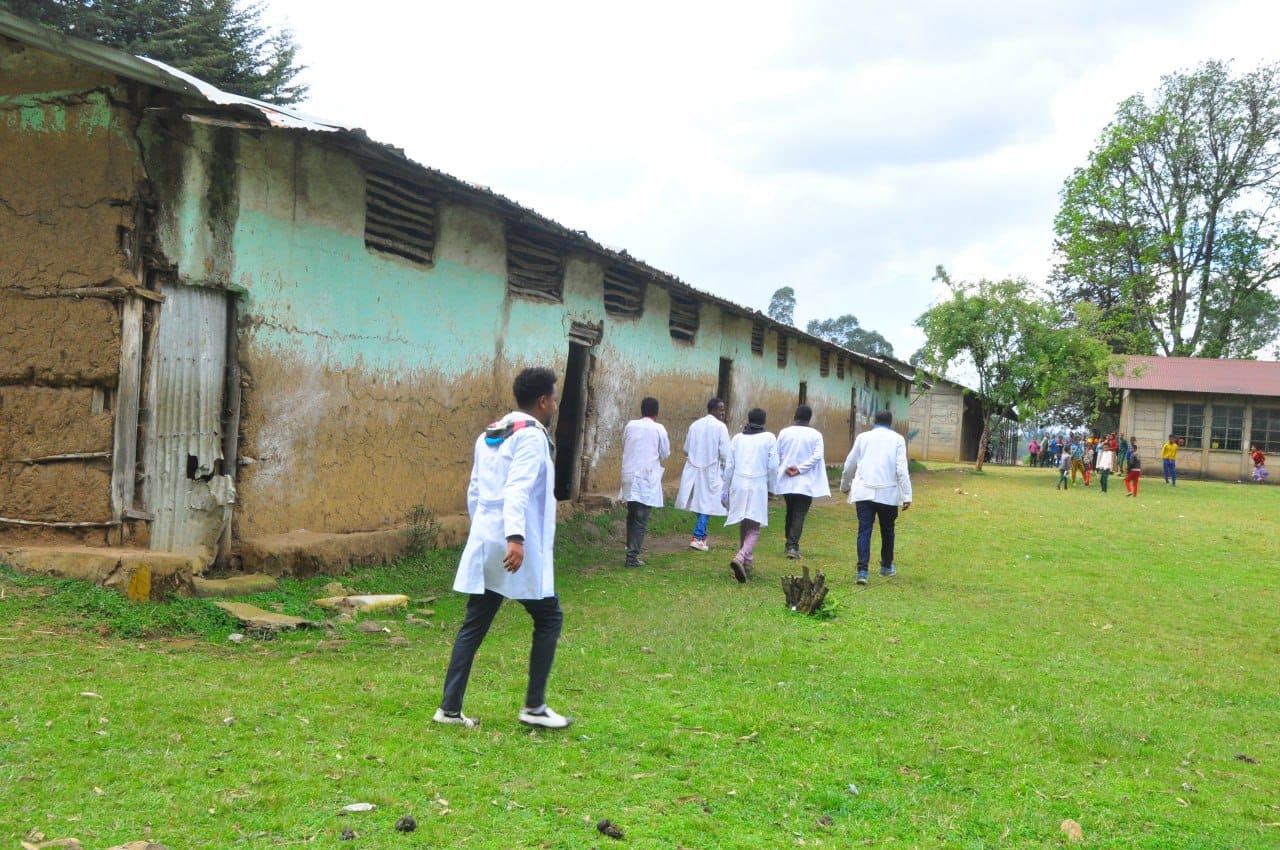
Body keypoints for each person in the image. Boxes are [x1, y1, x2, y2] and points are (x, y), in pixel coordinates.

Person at [436, 366, 570, 730]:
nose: (556, 404)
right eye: (554, 398)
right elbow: (518, 488)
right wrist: (515, 537)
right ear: (543, 401)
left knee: (475, 622)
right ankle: (534, 707)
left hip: (486, 534)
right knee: (549, 616)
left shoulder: (490, 434)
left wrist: (483, 531)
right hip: (513, 540)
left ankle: (449, 709)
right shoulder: (530, 437)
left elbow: (475, 491)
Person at [840, 409, 912, 585]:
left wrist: (845, 484)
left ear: (874, 421)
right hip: (888, 493)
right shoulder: (897, 439)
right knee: (888, 530)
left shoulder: (863, 438)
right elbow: (901, 468)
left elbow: (850, 463)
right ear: (891, 423)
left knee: (864, 530)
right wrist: (907, 494)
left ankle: (862, 571)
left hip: (863, 491)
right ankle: (886, 567)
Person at [722, 407, 779, 583]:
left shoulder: (737, 438)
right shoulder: (769, 438)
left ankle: (747, 562)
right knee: (754, 527)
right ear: (764, 421)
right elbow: (773, 466)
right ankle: (740, 557)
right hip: (757, 484)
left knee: (744, 521)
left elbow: (729, 465)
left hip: (738, 483)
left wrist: (725, 489)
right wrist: (772, 487)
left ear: (748, 419)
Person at [619, 397, 670, 568]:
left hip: (629, 474)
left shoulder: (630, 425)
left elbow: (624, 444)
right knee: (641, 517)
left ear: (641, 410)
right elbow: (665, 453)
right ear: (657, 412)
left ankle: (630, 550)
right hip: (646, 477)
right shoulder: (658, 429)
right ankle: (632, 557)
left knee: (632, 513)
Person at [774, 405, 831, 559]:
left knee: (791, 511)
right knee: (798, 514)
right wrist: (800, 469)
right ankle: (792, 546)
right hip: (805, 482)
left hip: (786, 479)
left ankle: (789, 543)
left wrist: (786, 467)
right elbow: (817, 456)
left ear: (795, 416)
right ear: (810, 417)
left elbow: (776, 454)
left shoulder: (784, 433)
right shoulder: (816, 435)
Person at [675, 398, 731, 551]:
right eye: (721, 409)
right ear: (712, 409)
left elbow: (686, 448)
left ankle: (702, 535)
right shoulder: (721, 427)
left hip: (694, 469)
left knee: (700, 502)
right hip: (711, 470)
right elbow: (726, 453)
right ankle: (697, 537)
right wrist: (726, 470)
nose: (723, 413)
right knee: (707, 503)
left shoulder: (695, 425)